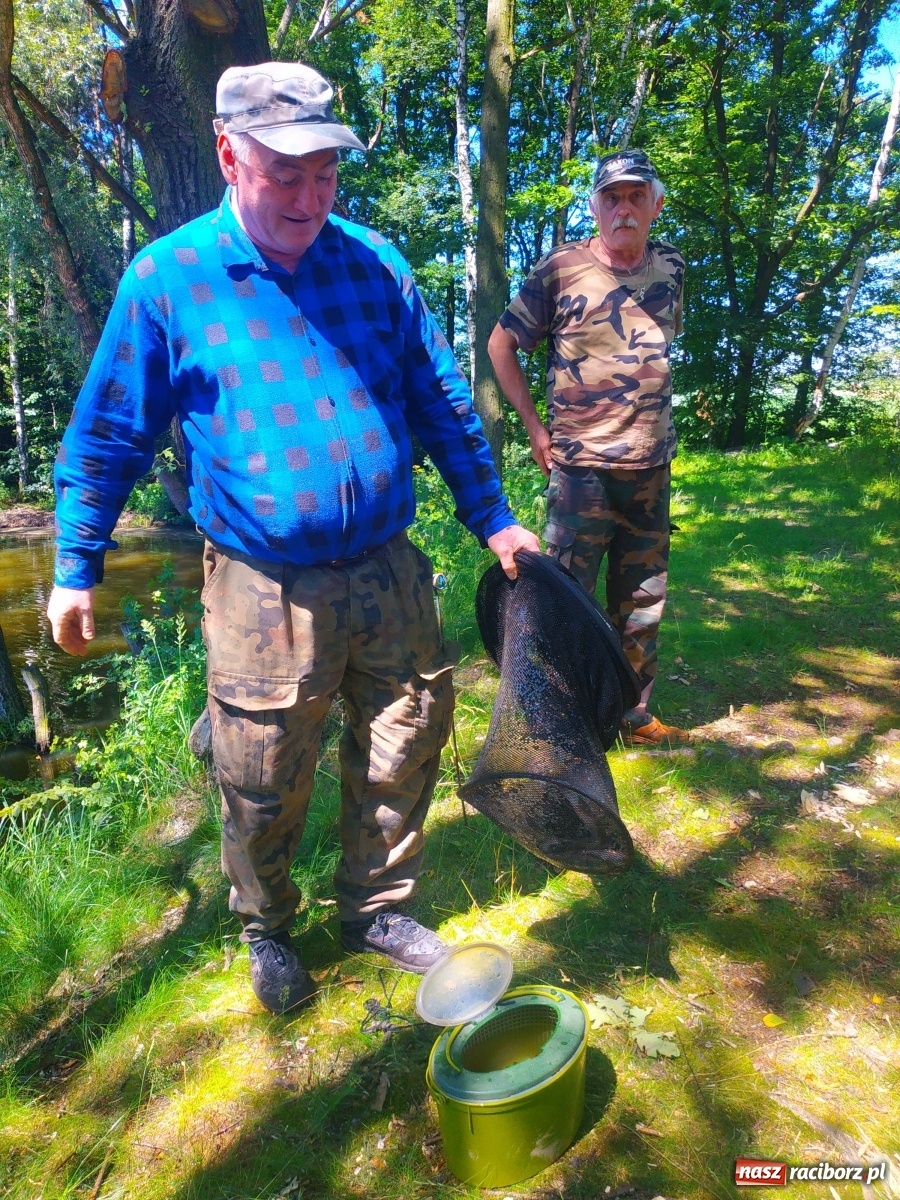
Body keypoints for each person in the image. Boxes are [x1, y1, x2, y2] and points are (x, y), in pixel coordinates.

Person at [47, 62, 539, 1013]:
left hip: (389, 569)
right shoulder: (169, 280)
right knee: (261, 771)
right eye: (286, 172)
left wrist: (496, 519)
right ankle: (267, 926)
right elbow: (109, 431)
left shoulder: (375, 265)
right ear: (230, 156)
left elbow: (443, 403)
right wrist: (77, 565)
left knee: (408, 736)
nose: (311, 196)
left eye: (327, 172)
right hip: (262, 586)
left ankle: (377, 908)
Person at [488, 148, 689, 747]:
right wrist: (534, 425)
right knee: (564, 598)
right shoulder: (560, 270)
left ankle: (634, 714)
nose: (623, 209)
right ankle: (558, 722)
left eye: (635, 196)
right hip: (583, 470)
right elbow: (502, 346)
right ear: (596, 207)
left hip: (651, 465)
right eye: (611, 198)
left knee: (643, 597)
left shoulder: (672, 266)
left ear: (654, 204)